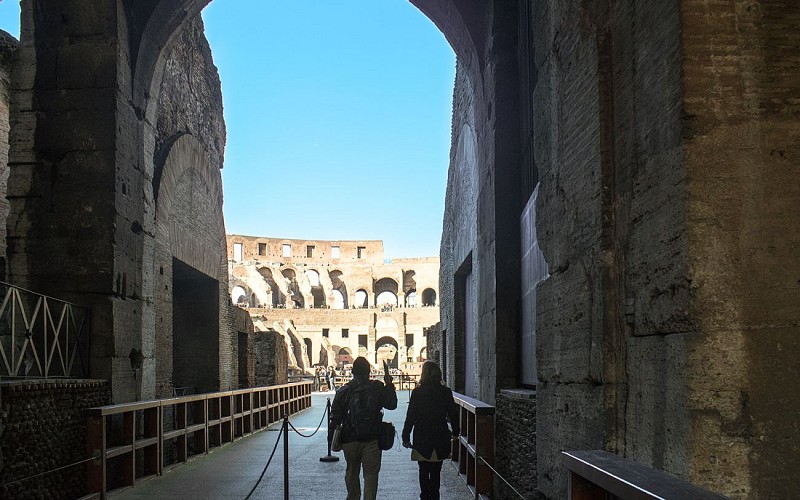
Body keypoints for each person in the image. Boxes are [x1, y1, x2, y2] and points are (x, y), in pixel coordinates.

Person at [329, 357, 397, 500]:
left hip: (349, 439)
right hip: (372, 438)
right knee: (371, 476)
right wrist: (389, 384)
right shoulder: (377, 387)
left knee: (352, 472)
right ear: (368, 372)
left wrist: (332, 441)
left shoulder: (344, 391)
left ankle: (353, 497)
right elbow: (392, 404)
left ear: (353, 372)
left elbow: (335, 418)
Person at [401, 361, 460, 500]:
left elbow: (410, 416)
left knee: (423, 470)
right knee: (435, 472)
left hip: (422, 436)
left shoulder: (417, 392)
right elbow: (453, 414)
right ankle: (434, 497)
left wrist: (405, 436)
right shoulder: (445, 392)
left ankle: (424, 496)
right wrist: (456, 433)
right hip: (440, 436)